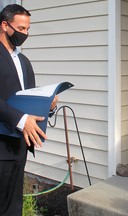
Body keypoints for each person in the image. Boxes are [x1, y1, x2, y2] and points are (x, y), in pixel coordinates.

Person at [0, 4, 57, 215]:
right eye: (21, 28)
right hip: (1, 142)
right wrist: (22, 120)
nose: (25, 34)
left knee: (14, 205)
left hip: (19, 144)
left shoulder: (23, 60)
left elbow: (29, 98)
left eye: (28, 29)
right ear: (5, 25)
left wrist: (48, 105)